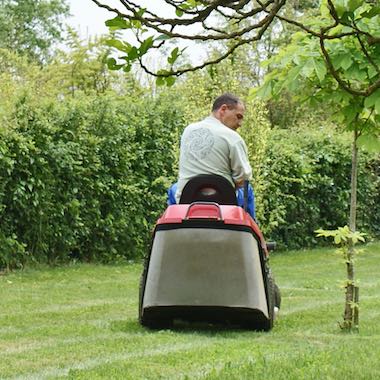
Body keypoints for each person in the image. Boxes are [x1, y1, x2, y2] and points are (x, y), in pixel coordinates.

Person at [169, 93, 256, 219]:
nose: (240, 123)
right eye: (238, 117)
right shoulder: (233, 138)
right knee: (248, 190)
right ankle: (252, 230)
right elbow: (243, 178)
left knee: (174, 188)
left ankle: (174, 223)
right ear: (223, 109)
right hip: (224, 202)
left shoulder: (188, 130)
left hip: (187, 199)